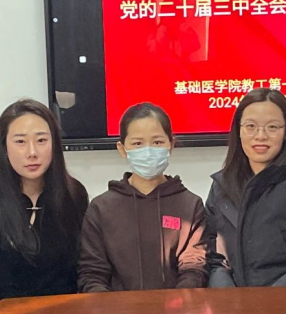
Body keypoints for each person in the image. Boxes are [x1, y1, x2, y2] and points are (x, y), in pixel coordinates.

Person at [0, 99, 88, 314]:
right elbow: (0, 285)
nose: (32, 152)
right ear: (4, 147)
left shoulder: (75, 196)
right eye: (20, 142)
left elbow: (76, 272)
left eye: (41, 140)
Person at [206, 88, 286, 287]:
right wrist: (227, 297)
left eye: (272, 127)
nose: (261, 136)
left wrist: (268, 300)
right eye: (250, 126)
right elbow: (213, 258)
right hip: (233, 302)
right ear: (238, 131)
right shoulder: (222, 185)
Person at [79, 103, 207, 292]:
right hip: (116, 309)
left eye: (157, 142)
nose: (148, 151)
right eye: (137, 144)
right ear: (122, 149)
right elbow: (92, 273)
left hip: (177, 308)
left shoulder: (190, 205)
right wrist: (107, 305)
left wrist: (180, 301)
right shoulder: (101, 208)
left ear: (171, 145)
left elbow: (194, 266)